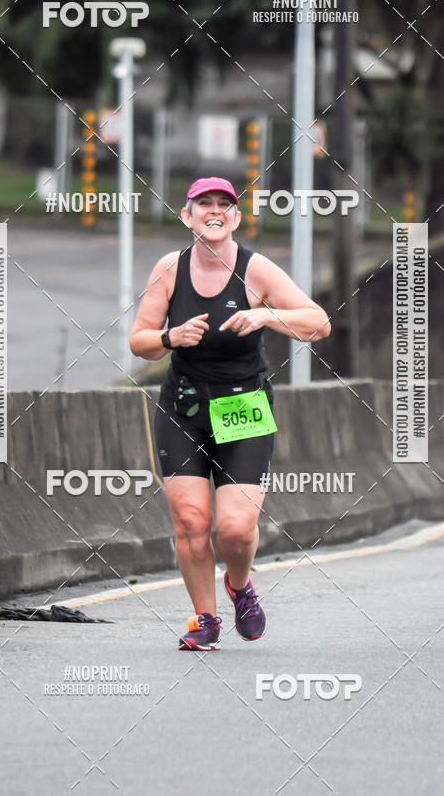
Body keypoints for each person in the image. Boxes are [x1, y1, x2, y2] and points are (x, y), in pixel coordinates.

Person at [129, 177, 331, 650]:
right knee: (192, 522)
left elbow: (317, 322)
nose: (214, 211)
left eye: (224, 204)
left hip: (243, 405)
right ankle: (204, 618)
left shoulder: (256, 270)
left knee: (236, 530)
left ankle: (239, 586)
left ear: (236, 217)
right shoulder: (170, 269)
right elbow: (139, 341)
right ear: (188, 215)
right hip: (183, 407)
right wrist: (169, 338)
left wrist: (266, 316)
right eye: (204, 204)